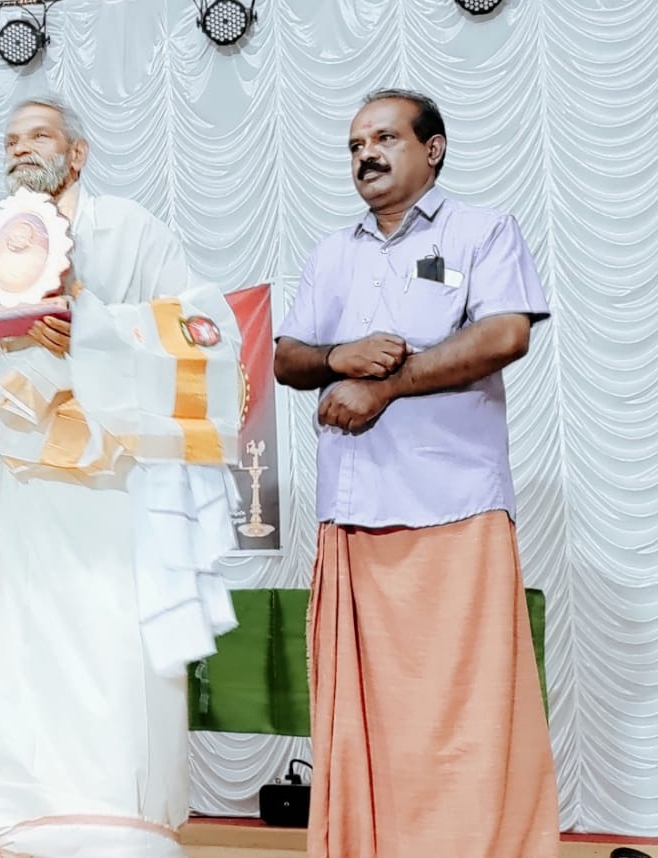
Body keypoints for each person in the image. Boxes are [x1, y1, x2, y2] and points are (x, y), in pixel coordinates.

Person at [0, 99, 241, 858]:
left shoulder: (129, 228)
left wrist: (91, 325)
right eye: (9, 139)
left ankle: (110, 825)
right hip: (21, 489)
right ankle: (14, 819)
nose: (20, 148)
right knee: (13, 647)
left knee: (107, 645)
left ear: (78, 154)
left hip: (107, 485)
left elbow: (207, 331)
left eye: (38, 135)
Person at [273, 89, 557, 858]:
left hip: (453, 506)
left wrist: (388, 386)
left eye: (385, 138)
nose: (366, 153)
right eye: (356, 143)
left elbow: (504, 334)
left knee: (462, 709)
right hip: (355, 511)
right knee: (370, 715)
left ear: (432, 149)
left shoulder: (483, 230)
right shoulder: (333, 252)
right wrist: (339, 358)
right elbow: (285, 357)